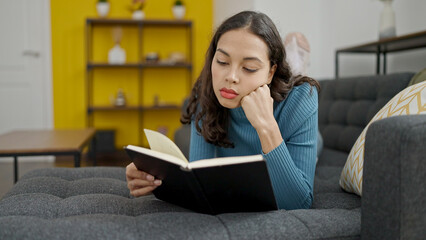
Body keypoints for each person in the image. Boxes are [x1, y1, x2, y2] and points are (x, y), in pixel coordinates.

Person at [126, 11, 320, 210]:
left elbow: (299, 203)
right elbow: (201, 189)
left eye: (249, 68)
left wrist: (267, 127)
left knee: (315, 147)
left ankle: (298, 66)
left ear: (271, 72)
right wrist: (155, 180)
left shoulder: (302, 98)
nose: (231, 77)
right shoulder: (209, 94)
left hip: (294, 130)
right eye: (222, 62)